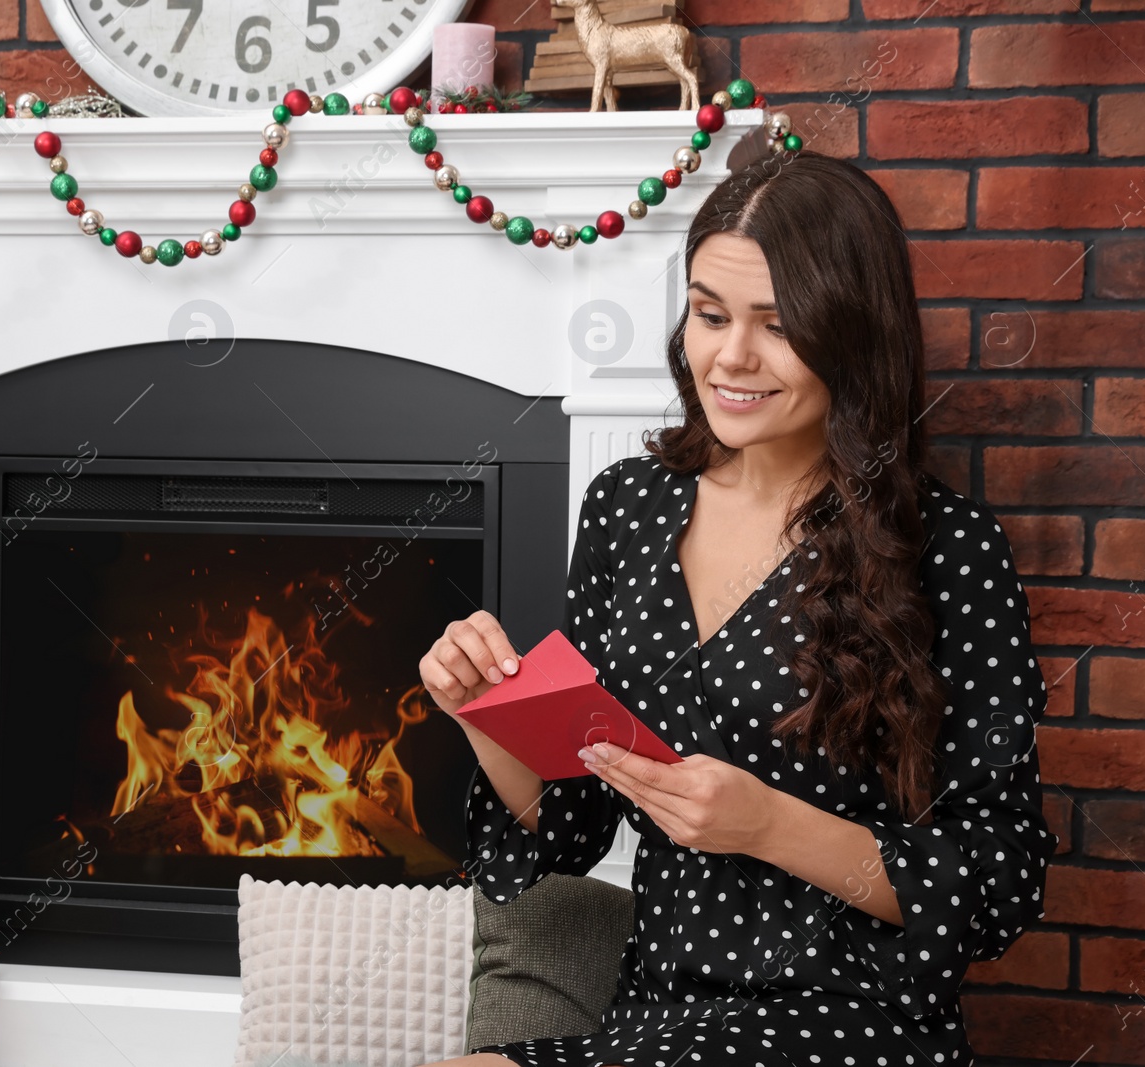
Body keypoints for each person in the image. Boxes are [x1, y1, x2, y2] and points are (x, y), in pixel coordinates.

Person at [415, 150, 1057, 1067]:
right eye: (710, 315)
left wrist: (766, 823)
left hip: (851, 1017)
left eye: (778, 326)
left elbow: (999, 882)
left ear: (851, 336)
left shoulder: (949, 551)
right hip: (659, 1009)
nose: (731, 357)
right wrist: (486, 716)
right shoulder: (627, 508)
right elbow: (573, 824)